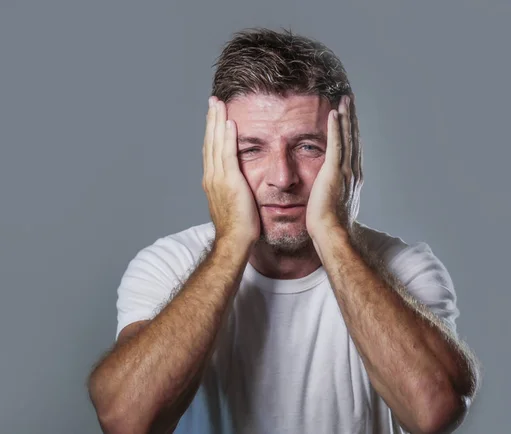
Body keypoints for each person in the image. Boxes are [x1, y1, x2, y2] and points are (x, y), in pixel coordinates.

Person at [87, 27, 481, 434]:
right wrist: (231, 242)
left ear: (346, 153)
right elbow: (125, 421)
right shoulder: (167, 265)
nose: (282, 177)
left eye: (308, 146)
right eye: (251, 149)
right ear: (216, 160)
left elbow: (435, 413)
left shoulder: (408, 267)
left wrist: (332, 231)